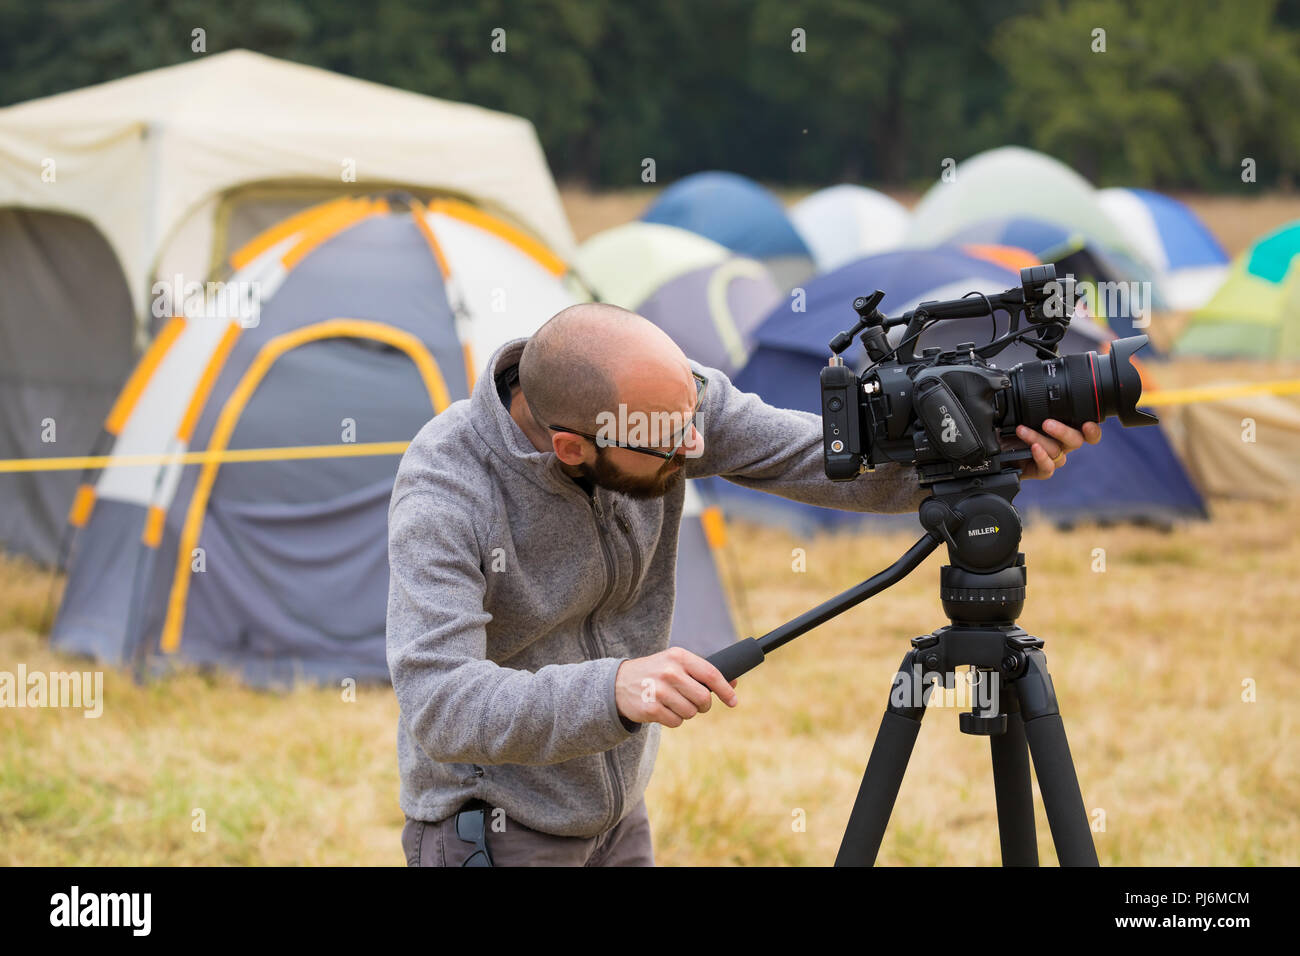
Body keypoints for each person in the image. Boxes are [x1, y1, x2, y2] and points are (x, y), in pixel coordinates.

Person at [387, 302, 1099, 867]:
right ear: (573, 447)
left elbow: (812, 456)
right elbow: (439, 701)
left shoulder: (665, 406)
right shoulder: (448, 490)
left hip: (615, 817)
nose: (696, 450)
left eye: (695, 425)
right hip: (496, 834)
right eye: (674, 450)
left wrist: (975, 459)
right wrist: (611, 689)